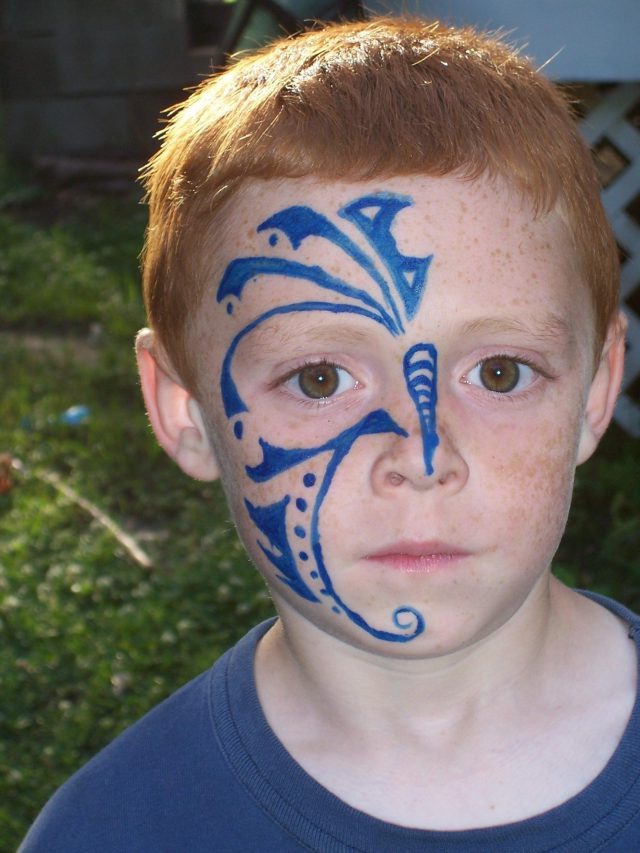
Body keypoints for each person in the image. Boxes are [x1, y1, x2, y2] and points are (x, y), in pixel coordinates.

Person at [20, 16, 638, 852]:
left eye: (498, 372)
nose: (423, 458)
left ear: (597, 390)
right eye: (320, 380)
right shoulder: (114, 830)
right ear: (183, 411)